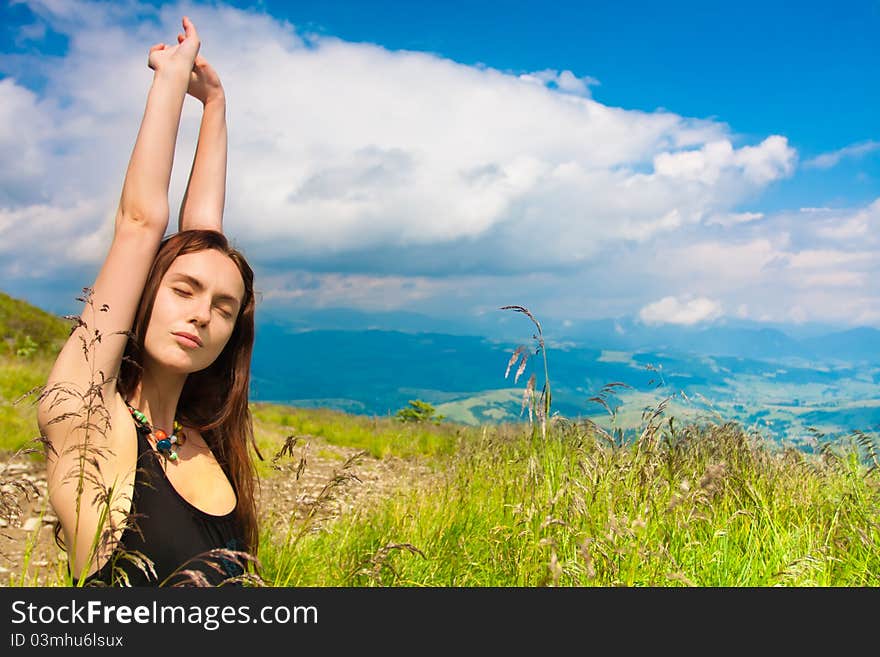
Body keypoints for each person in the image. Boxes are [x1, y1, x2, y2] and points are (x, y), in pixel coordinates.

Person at [37, 16, 261, 586]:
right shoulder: (88, 422)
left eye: (224, 308)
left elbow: (202, 239)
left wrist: (215, 105)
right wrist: (171, 77)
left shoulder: (203, 438)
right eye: (182, 291)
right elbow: (141, 224)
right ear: (142, 296)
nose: (202, 313)